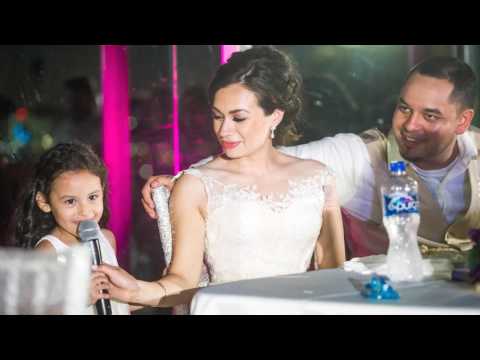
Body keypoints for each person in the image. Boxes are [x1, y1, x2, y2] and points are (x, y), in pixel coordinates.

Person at [141, 55, 479, 259]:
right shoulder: (358, 157)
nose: (410, 125)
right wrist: (185, 178)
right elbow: (269, 160)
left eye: (430, 116)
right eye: (404, 108)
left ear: (463, 121)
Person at [98, 46, 345, 309]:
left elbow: (333, 275)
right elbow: (183, 283)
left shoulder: (318, 179)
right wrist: (134, 290)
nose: (224, 130)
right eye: (217, 117)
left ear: (275, 115)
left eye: (238, 118)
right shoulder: (196, 185)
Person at [15, 142, 130, 315]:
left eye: (92, 197)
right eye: (70, 201)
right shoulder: (48, 252)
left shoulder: (107, 239)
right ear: (45, 202)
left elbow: (119, 303)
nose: (85, 211)